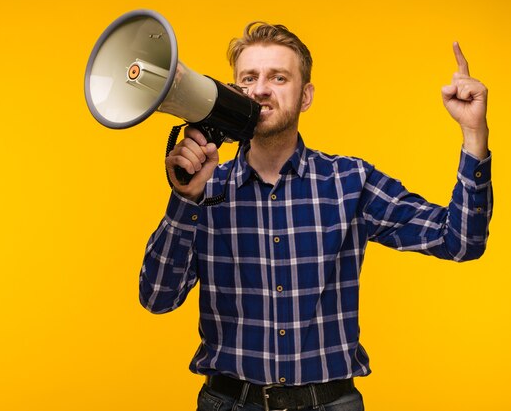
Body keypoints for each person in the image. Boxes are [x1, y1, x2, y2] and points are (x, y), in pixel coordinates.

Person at [139, 21, 492, 411]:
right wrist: (185, 199)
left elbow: (460, 241)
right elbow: (156, 298)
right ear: (233, 91)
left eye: (278, 77)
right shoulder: (207, 189)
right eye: (248, 79)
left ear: (305, 96)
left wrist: (474, 134)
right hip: (229, 401)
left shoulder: (351, 181)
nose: (260, 90)